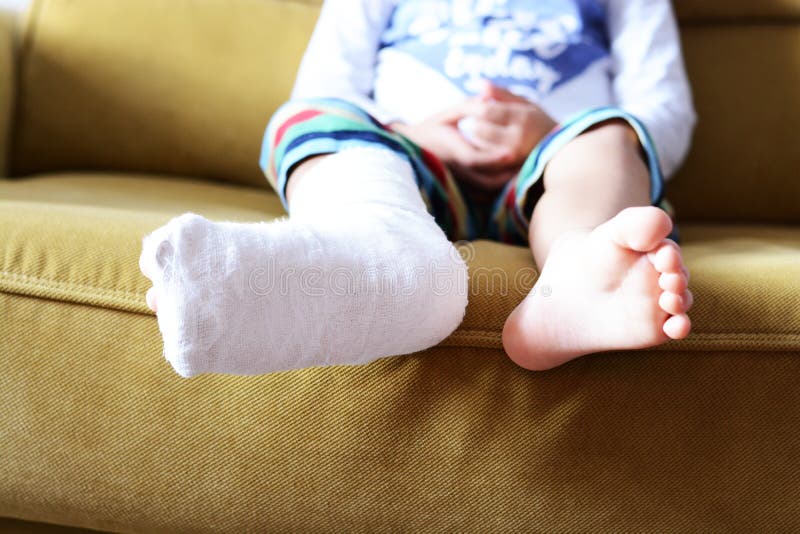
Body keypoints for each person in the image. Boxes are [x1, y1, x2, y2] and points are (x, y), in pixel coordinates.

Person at [139, 0, 697, 378]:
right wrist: (413, 131)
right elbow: (327, 85)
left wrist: (548, 131)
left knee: (607, 137)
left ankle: (576, 275)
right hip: (407, 164)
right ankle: (376, 248)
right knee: (313, 116)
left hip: (552, 165)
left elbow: (666, 113)